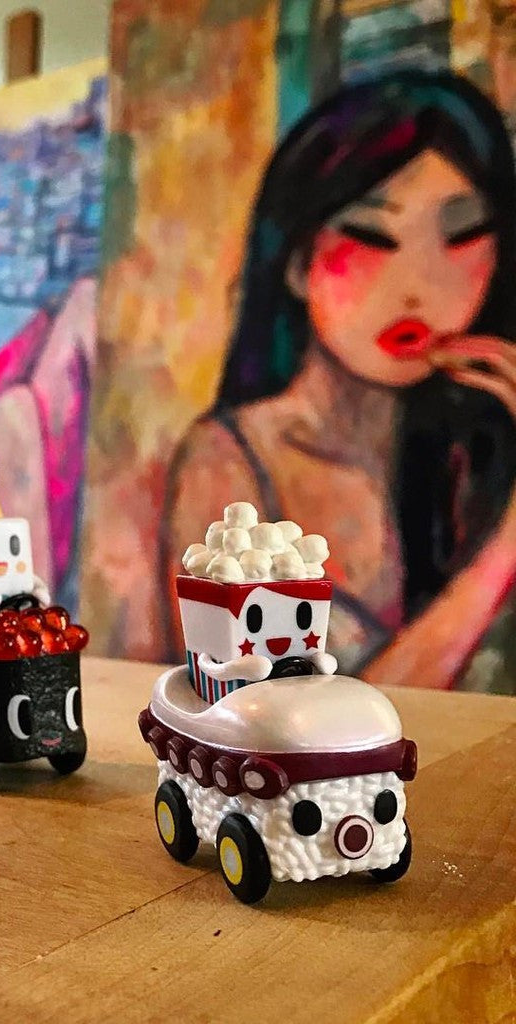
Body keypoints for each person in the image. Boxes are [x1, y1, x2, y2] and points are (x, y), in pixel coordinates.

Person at [162, 70, 516, 690]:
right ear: (297, 262)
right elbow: (251, 715)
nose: (416, 287)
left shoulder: (482, 453)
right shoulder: (229, 464)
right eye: (372, 235)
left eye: (461, 235)